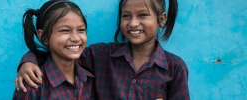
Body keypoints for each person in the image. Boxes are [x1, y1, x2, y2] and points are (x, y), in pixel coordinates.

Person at [16, 0, 190, 99]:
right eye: (126, 16)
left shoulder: (174, 68)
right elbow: (62, 54)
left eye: (142, 15)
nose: (133, 23)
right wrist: (28, 61)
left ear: (162, 19)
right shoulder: (101, 56)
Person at [12, 0, 95, 99]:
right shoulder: (32, 87)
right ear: (44, 37)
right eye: (65, 31)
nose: (76, 38)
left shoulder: (89, 79)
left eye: (81, 30)